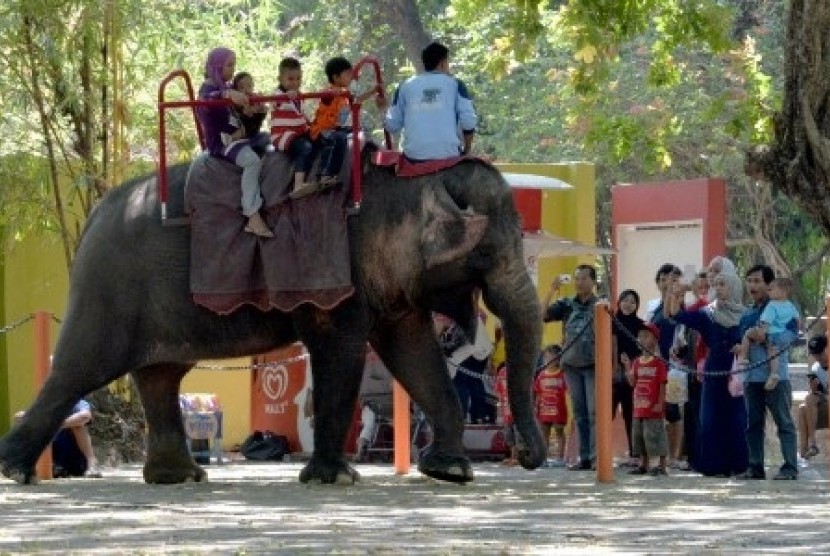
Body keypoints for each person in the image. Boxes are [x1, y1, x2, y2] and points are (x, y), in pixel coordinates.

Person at [665, 271, 748, 477]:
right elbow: (678, 316)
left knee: (736, 417)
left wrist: (744, 347)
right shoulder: (707, 313)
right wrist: (674, 295)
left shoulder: (745, 314)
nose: (718, 288)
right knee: (711, 418)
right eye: (716, 284)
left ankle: (739, 464)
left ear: (734, 287)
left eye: (723, 284)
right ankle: (712, 465)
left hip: (736, 372)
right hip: (714, 370)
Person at [196, 47, 273, 238]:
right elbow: (208, 100)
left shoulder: (224, 87)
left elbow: (231, 110)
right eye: (229, 65)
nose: (232, 70)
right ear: (216, 66)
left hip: (237, 135)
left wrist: (252, 111)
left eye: (233, 65)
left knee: (267, 139)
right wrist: (227, 95)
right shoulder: (209, 89)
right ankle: (252, 215)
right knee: (251, 161)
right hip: (223, 142)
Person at [736, 264, 799, 480]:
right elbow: (741, 339)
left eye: (757, 281)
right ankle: (755, 467)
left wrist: (768, 339)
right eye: (750, 280)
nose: (752, 285)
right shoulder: (747, 313)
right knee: (753, 423)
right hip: (752, 377)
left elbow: (791, 336)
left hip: (776, 377)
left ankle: (790, 467)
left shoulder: (784, 309)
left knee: (784, 422)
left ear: (769, 285)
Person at [542, 264, 599, 470]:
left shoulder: (600, 305)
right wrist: (551, 290)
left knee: (594, 412)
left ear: (593, 281)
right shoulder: (566, 304)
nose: (579, 282)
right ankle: (584, 457)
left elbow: (610, 335)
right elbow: (542, 315)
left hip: (593, 364)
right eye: (577, 278)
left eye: (584, 278)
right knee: (580, 413)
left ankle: (595, 457)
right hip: (571, 365)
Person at [385, 41, 478, 160]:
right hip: (448, 155)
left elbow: (392, 126)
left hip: (413, 157)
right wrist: (467, 150)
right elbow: (468, 121)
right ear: (443, 63)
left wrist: (383, 109)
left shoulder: (405, 86)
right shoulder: (456, 84)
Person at [308, 57, 380, 188]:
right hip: (322, 130)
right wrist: (331, 92)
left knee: (357, 130)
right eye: (348, 74)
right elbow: (325, 95)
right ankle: (325, 175)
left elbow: (357, 99)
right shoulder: (331, 92)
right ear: (335, 78)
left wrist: (374, 90)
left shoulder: (345, 95)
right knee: (338, 139)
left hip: (336, 128)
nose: (351, 77)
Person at [646, 263, 689, 469]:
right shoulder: (652, 306)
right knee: (657, 410)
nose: (667, 283)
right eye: (663, 279)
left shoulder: (680, 305)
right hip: (654, 363)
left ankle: (675, 455)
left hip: (675, 364)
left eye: (672, 280)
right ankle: (657, 455)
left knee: (673, 410)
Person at [621, 322, 669, 476]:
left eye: (646, 336)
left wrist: (660, 403)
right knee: (639, 436)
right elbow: (633, 383)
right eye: (640, 336)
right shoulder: (637, 362)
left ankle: (659, 465)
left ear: (654, 340)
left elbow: (662, 384)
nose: (641, 339)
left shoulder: (658, 363)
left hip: (653, 407)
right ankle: (643, 464)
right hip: (639, 407)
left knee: (655, 435)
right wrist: (628, 367)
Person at [736, 276, 800, 391]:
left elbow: (766, 321)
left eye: (771, 289)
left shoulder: (772, 305)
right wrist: (798, 332)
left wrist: (761, 331)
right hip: (784, 334)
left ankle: (743, 357)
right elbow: (797, 320)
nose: (768, 292)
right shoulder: (790, 305)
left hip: (772, 334)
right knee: (773, 350)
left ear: (782, 291)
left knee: (748, 334)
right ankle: (774, 373)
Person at [269, 56, 319, 200]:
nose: (295, 83)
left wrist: (312, 125)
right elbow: (276, 101)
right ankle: (298, 185)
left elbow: (301, 115)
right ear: (280, 79)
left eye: (298, 79)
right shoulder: (278, 94)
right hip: (284, 135)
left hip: (299, 132)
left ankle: (325, 174)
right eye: (290, 79)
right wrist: (286, 96)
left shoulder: (299, 96)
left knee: (321, 138)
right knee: (305, 148)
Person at [15, 399, 102, 478]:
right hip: (53, 460)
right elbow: (18, 416)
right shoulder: (46, 404)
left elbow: (85, 416)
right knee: (31, 424)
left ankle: (92, 463)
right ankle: (27, 466)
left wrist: (56, 425)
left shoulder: (75, 402)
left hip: (75, 458)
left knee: (78, 426)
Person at [611, 288, 643, 466]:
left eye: (632, 301)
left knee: (631, 414)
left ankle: (635, 453)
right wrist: (614, 367)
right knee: (607, 412)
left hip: (632, 374)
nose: (628, 304)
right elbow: (611, 346)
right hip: (613, 375)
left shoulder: (640, 325)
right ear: (619, 302)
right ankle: (600, 452)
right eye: (625, 300)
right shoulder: (611, 321)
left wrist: (631, 368)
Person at [533, 345, 568, 467]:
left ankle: (560, 458)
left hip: (559, 410)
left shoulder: (562, 374)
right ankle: (544, 458)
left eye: (551, 358)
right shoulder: (541, 375)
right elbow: (537, 392)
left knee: (559, 432)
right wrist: (536, 407)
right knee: (544, 435)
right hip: (544, 410)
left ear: (558, 359)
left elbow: (568, 392)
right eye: (546, 358)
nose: (547, 361)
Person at [798, 335, 828, 459]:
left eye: (820, 353)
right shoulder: (816, 368)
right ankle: (805, 452)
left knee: (810, 400)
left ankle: (812, 445)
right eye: (815, 354)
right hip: (825, 404)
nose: (818, 357)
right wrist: (814, 389)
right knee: (802, 408)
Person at [231, 71, 271, 156]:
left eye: (249, 86)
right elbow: (244, 132)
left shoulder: (254, 103)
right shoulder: (234, 108)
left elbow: (255, 129)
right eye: (241, 87)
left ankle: (258, 154)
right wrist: (246, 115)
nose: (246, 90)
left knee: (266, 136)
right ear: (236, 91)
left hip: (253, 138)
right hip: (241, 141)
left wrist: (261, 113)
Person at [494, 362, 518, 465]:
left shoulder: (520, 371)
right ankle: (512, 456)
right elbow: (499, 391)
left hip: (518, 410)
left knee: (518, 434)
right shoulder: (502, 372)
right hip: (506, 409)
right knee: (509, 434)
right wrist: (499, 409)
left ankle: (517, 457)